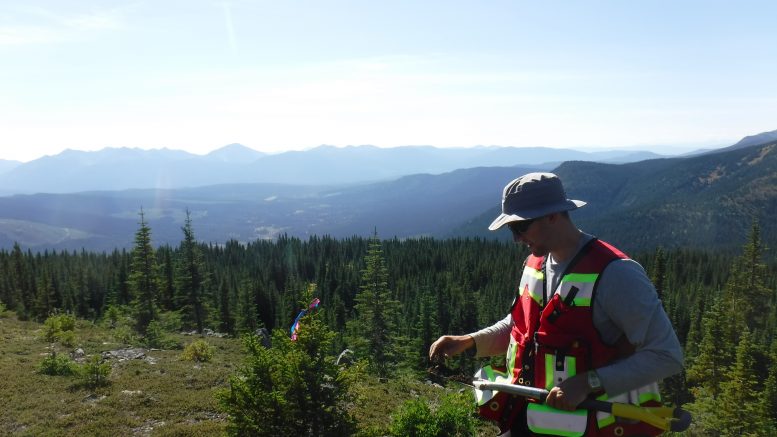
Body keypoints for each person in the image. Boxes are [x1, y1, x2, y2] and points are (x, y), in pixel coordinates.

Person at [429, 172, 683, 436]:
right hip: (534, 420)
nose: (516, 238)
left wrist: (588, 383)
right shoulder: (534, 265)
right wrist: (470, 341)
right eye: (511, 229)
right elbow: (522, 328)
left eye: (521, 227)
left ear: (553, 215)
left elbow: (667, 356)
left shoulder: (616, 273)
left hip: (595, 426)